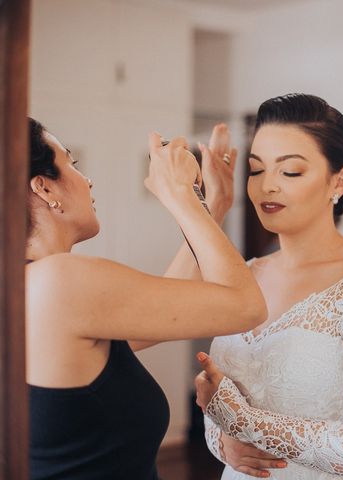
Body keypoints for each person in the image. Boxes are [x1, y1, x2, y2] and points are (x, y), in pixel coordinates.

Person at [25, 117, 267, 480]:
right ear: (44, 188)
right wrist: (181, 196)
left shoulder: (27, 285)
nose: (86, 179)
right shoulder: (60, 281)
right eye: (72, 164)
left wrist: (210, 205)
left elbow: (164, 311)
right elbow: (246, 306)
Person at [193, 94, 343, 479]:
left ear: (339, 180)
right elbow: (220, 409)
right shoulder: (243, 274)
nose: (267, 187)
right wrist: (222, 439)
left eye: (290, 172)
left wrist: (245, 422)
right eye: (257, 171)